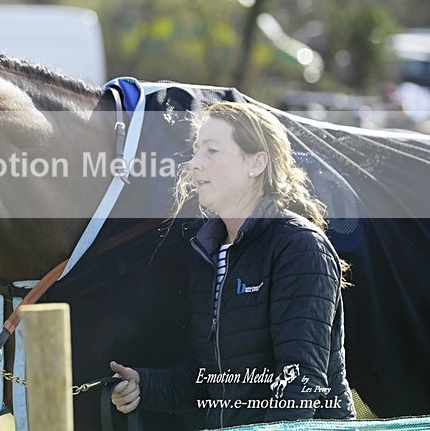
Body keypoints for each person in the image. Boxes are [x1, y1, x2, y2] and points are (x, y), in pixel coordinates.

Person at [110, 101, 355, 428]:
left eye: (211, 151)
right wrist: (144, 385)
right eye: (196, 151)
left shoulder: (299, 247)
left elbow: (301, 380)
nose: (194, 164)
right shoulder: (207, 254)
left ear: (256, 163)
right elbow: (209, 380)